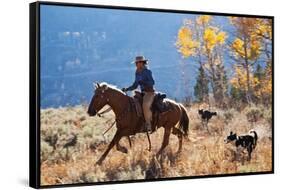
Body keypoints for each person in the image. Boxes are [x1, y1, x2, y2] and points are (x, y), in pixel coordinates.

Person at [122, 56, 155, 133]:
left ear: (142, 63)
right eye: (136, 63)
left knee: (145, 105)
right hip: (142, 92)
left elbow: (152, 82)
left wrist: (143, 82)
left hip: (149, 92)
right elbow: (135, 85)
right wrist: (127, 89)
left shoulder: (147, 71)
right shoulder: (137, 72)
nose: (136, 64)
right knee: (133, 104)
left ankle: (148, 125)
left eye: (137, 63)